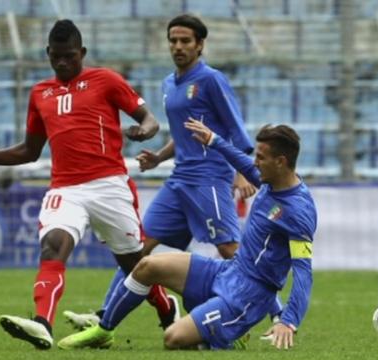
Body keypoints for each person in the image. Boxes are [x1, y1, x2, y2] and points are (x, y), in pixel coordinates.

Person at [0, 19, 177, 350]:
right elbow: (30, 151)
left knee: (135, 265)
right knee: (52, 246)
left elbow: (149, 119)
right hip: (65, 189)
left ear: (82, 53)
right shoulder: (39, 93)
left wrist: (144, 131)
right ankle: (43, 323)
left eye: (70, 56)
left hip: (109, 186)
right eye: (56, 56)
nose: (62, 63)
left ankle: (166, 308)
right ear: (48, 53)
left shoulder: (105, 80)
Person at [63, 13, 257, 330]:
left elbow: (234, 128)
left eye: (185, 41)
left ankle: (261, 310)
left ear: (200, 45)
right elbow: (184, 132)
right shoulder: (169, 83)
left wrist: (242, 171)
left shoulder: (211, 80)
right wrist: (159, 157)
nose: (178, 47)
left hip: (209, 177)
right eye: (173, 40)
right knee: (137, 250)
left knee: (228, 249)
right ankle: (103, 318)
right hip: (180, 180)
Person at [57, 122, 317, 351]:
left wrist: (288, 320)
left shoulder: (298, 211)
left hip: (247, 296)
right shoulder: (269, 179)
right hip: (228, 271)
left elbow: (303, 272)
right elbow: (242, 162)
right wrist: (214, 141)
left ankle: (227, 335)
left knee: (173, 338)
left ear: (281, 161)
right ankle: (104, 331)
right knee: (148, 265)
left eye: (260, 157)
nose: (255, 162)